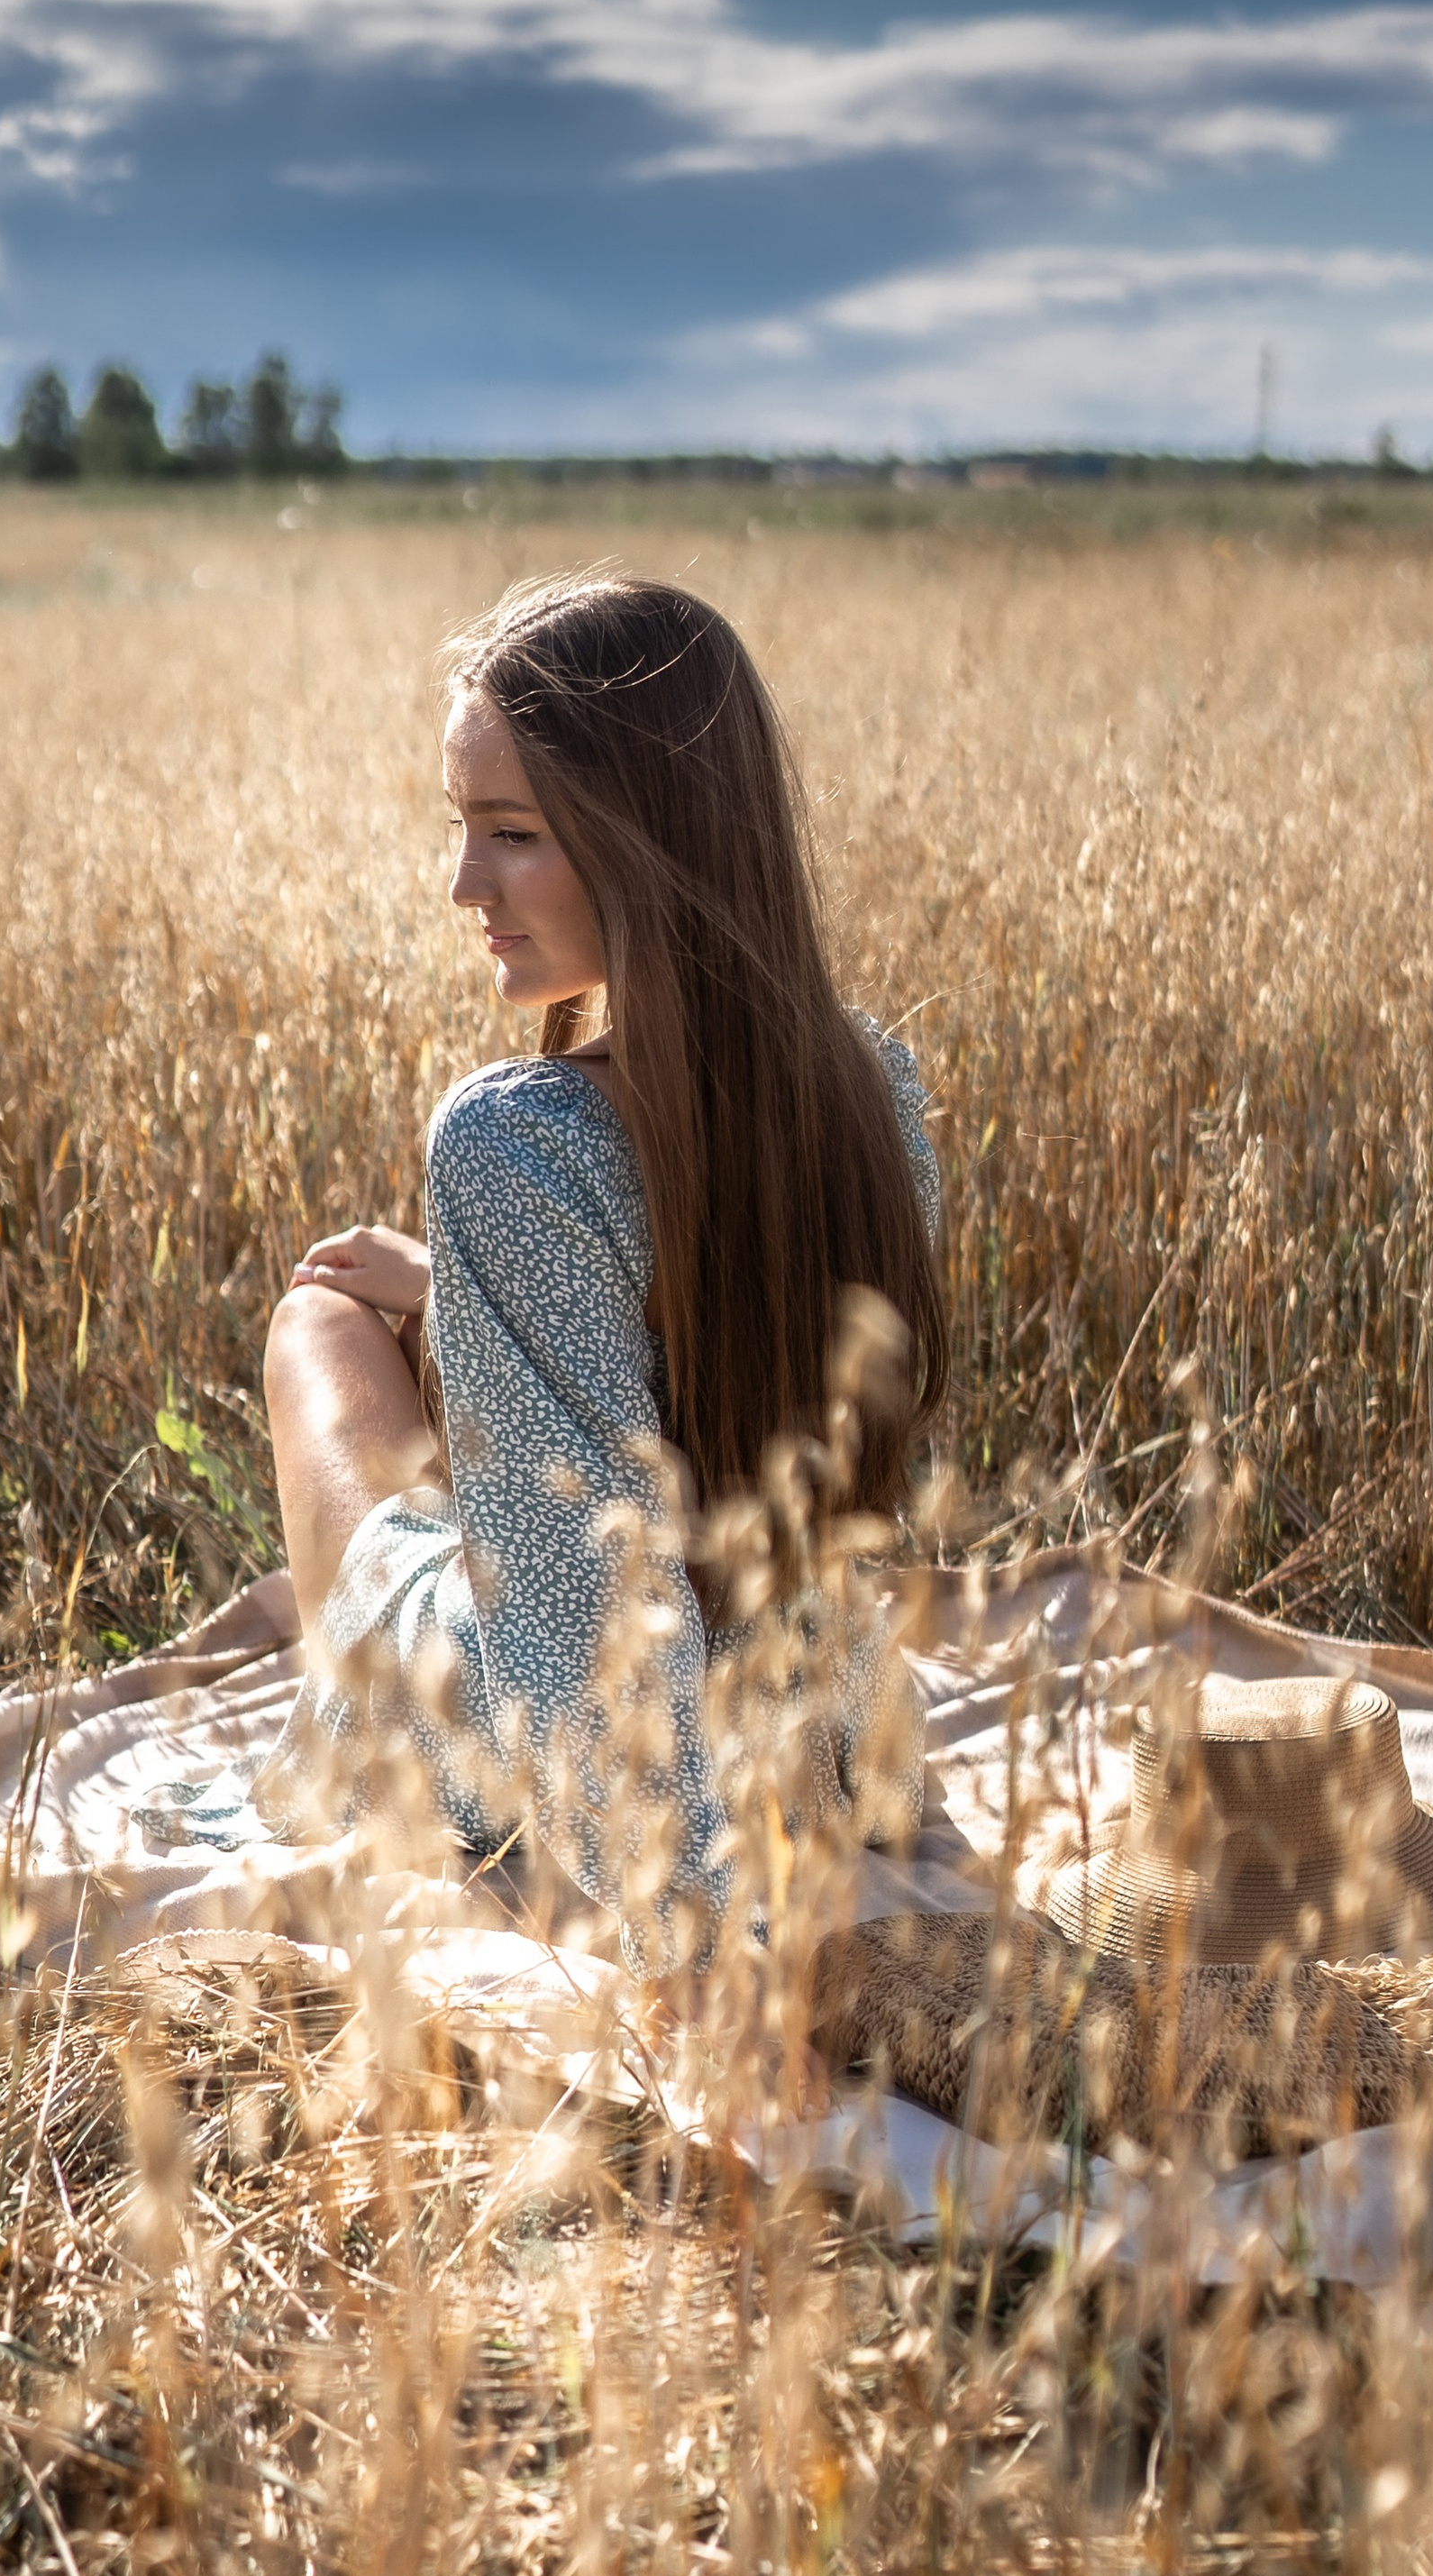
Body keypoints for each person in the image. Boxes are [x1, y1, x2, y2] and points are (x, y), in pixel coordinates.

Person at [262, 571, 946, 1969]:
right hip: (831, 1729)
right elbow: (716, 1379)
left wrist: (707, 1928)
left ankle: (354, 1650)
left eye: (509, 834)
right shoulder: (877, 1082)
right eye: (466, 830)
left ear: (651, 843)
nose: (465, 885)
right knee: (412, 1317)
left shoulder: (514, 1144)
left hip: (569, 1763)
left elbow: (603, 1661)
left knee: (320, 1320)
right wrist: (458, 1284)